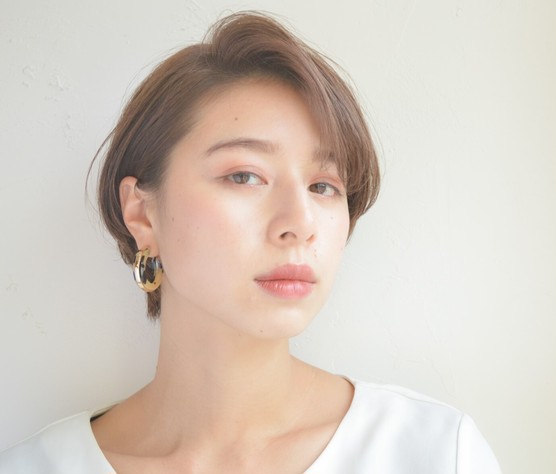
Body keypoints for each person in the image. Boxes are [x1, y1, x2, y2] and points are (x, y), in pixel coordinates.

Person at [0, 11, 501, 474]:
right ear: (142, 213)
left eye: (324, 186)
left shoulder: (434, 452)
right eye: (244, 176)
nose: (300, 222)